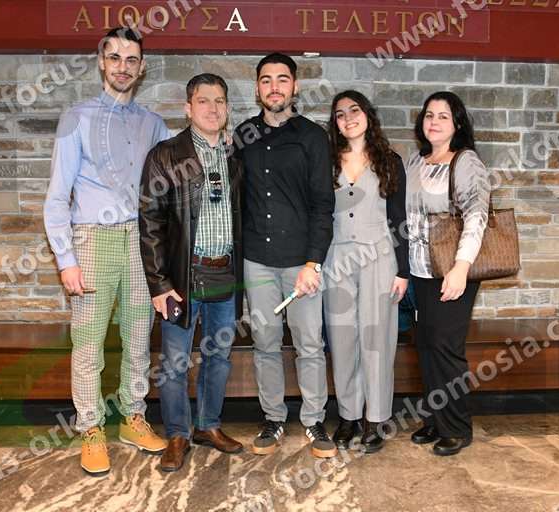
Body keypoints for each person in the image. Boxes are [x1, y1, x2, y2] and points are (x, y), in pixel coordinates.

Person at [43, 27, 170, 476]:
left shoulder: (154, 123)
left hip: (140, 240)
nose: (123, 67)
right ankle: (91, 428)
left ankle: (133, 417)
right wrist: (66, 261)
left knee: (139, 336)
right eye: (114, 57)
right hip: (92, 239)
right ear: (101, 62)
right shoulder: (76, 118)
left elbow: (177, 173)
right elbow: (56, 197)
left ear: (142, 67)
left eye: (131, 59)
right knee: (88, 342)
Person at [138, 73, 244, 472]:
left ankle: (208, 426)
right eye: (203, 101)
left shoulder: (235, 156)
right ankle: (177, 434)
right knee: (175, 362)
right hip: (182, 278)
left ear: (227, 108)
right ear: (188, 108)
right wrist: (159, 284)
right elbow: (150, 221)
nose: (212, 109)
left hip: (225, 274)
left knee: (219, 357)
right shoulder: (165, 155)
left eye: (219, 101)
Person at [235, 53, 337, 458]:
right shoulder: (243, 135)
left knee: (310, 344)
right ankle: (273, 419)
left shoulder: (313, 138)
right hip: (257, 259)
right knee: (265, 343)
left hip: (301, 263)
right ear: (257, 88)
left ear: (295, 86)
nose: (274, 87)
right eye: (266, 80)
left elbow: (323, 206)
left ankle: (314, 421)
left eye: (282, 79)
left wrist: (313, 263)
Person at [323, 90, 409, 454]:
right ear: (335, 123)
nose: (348, 118)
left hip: (379, 258)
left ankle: (377, 417)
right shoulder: (326, 161)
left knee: (377, 340)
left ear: (368, 115)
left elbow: (400, 217)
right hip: (337, 259)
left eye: (354, 110)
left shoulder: (389, 161)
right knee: (342, 339)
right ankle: (348, 416)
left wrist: (403, 270)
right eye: (340, 114)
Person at [406, 91, 490, 456]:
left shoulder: (466, 161)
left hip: (453, 270)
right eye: (429, 115)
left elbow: (477, 216)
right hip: (419, 271)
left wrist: (461, 267)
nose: (434, 121)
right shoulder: (416, 160)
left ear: (457, 123)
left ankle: (456, 427)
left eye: (443, 116)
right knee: (427, 346)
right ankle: (435, 420)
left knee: (446, 348)